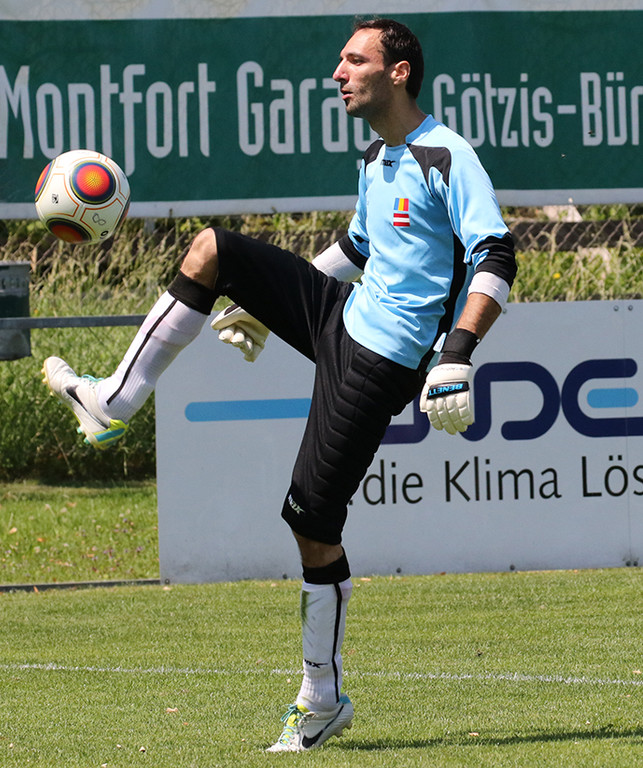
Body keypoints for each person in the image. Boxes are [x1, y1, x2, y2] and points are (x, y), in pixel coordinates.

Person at [43, 18, 516, 751]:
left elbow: (496, 254)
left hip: (382, 361)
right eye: (339, 61)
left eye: (354, 60)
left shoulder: (447, 155)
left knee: (310, 522)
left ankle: (321, 698)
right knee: (213, 252)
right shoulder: (376, 156)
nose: (338, 73)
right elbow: (358, 246)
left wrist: (456, 353)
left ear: (397, 73)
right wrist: (264, 307)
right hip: (341, 315)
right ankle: (114, 400)